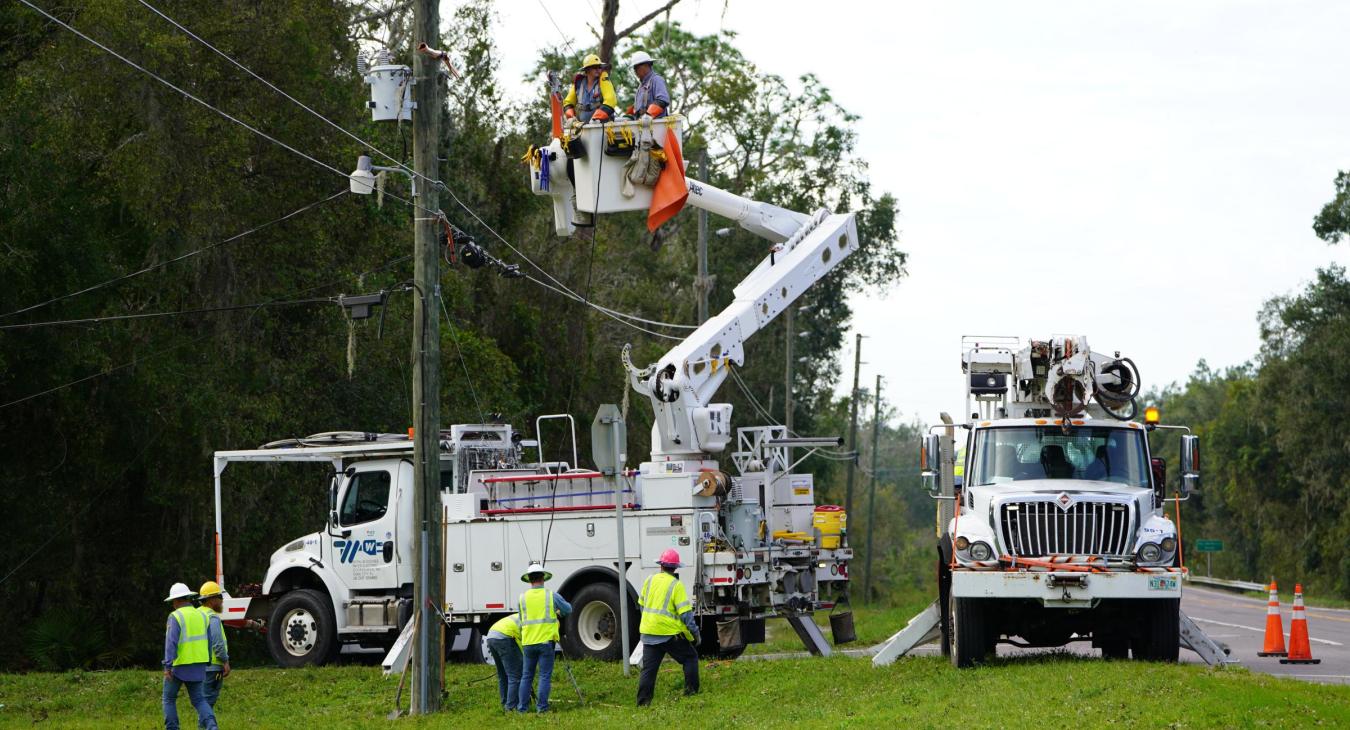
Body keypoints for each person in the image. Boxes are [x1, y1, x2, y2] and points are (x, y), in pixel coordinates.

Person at [636, 549, 700, 707]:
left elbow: (641, 605)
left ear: (661, 565)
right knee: (690, 658)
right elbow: (686, 615)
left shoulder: (649, 580)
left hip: (649, 632)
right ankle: (691, 693)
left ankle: (643, 703)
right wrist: (695, 634)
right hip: (669, 634)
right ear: (676, 568)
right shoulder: (676, 585)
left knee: (648, 670)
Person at [516, 563, 571, 713]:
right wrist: (558, 613)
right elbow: (568, 609)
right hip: (546, 642)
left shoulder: (522, 598)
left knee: (526, 676)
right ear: (543, 578)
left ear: (529, 580)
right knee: (544, 676)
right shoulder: (550, 595)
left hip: (528, 642)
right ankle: (542, 708)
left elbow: (521, 620)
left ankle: (522, 708)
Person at [162, 582, 217, 730]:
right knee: (199, 700)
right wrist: (208, 661)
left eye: (173, 601)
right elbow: (209, 639)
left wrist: (167, 665)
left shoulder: (175, 616)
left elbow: (171, 643)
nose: (173, 604)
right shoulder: (202, 615)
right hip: (199, 664)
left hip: (178, 666)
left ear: (177, 600)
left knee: (169, 699)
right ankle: (212, 726)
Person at [197, 581, 231, 723]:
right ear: (212, 600)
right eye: (220, 597)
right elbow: (218, 643)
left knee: (202, 702)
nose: (222, 601)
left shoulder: (196, 615)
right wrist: (225, 661)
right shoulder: (212, 617)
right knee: (207, 703)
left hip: (198, 665)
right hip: (213, 667)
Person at [562, 54, 617, 124]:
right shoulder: (579, 83)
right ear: (587, 69)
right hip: (583, 128)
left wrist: (597, 117)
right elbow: (568, 103)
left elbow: (611, 100)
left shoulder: (604, 81)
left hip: (601, 126)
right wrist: (571, 117)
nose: (598, 69)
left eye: (599, 67)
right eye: (594, 67)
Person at [486, 613, 523, 713]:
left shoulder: (521, 614)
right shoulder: (534, 622)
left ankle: (505, 703)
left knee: (502, 674)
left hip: (491, 636)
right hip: (505, 637)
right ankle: (510, 707)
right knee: (514, 676)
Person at [627, 50, 670, 120]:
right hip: (643, 126)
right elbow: (639, 109)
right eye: (634, 68)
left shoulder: (656, 80)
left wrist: (649, 115)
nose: (635, 71)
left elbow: (662, 100)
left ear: (646, 65)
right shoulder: (641, 86)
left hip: (657, 126)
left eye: (636, 67)